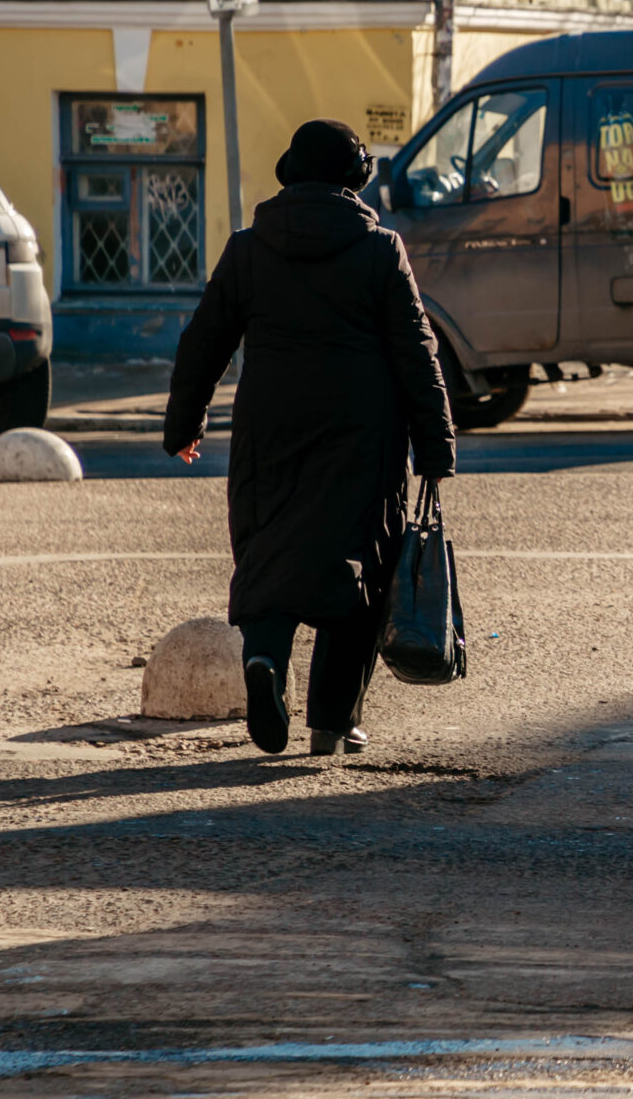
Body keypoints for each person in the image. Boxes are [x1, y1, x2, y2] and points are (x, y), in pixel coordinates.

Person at [163, 119, 456, 757]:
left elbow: (203, 342)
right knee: (357, 574)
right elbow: (417, 353)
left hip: (269, 434)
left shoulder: (248, 249)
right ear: (355, 178)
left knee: (269, 558)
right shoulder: (380, 250)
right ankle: (330, 722)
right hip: (362, 438)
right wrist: (434, 448)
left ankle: (264, 661)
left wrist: (184, 424)